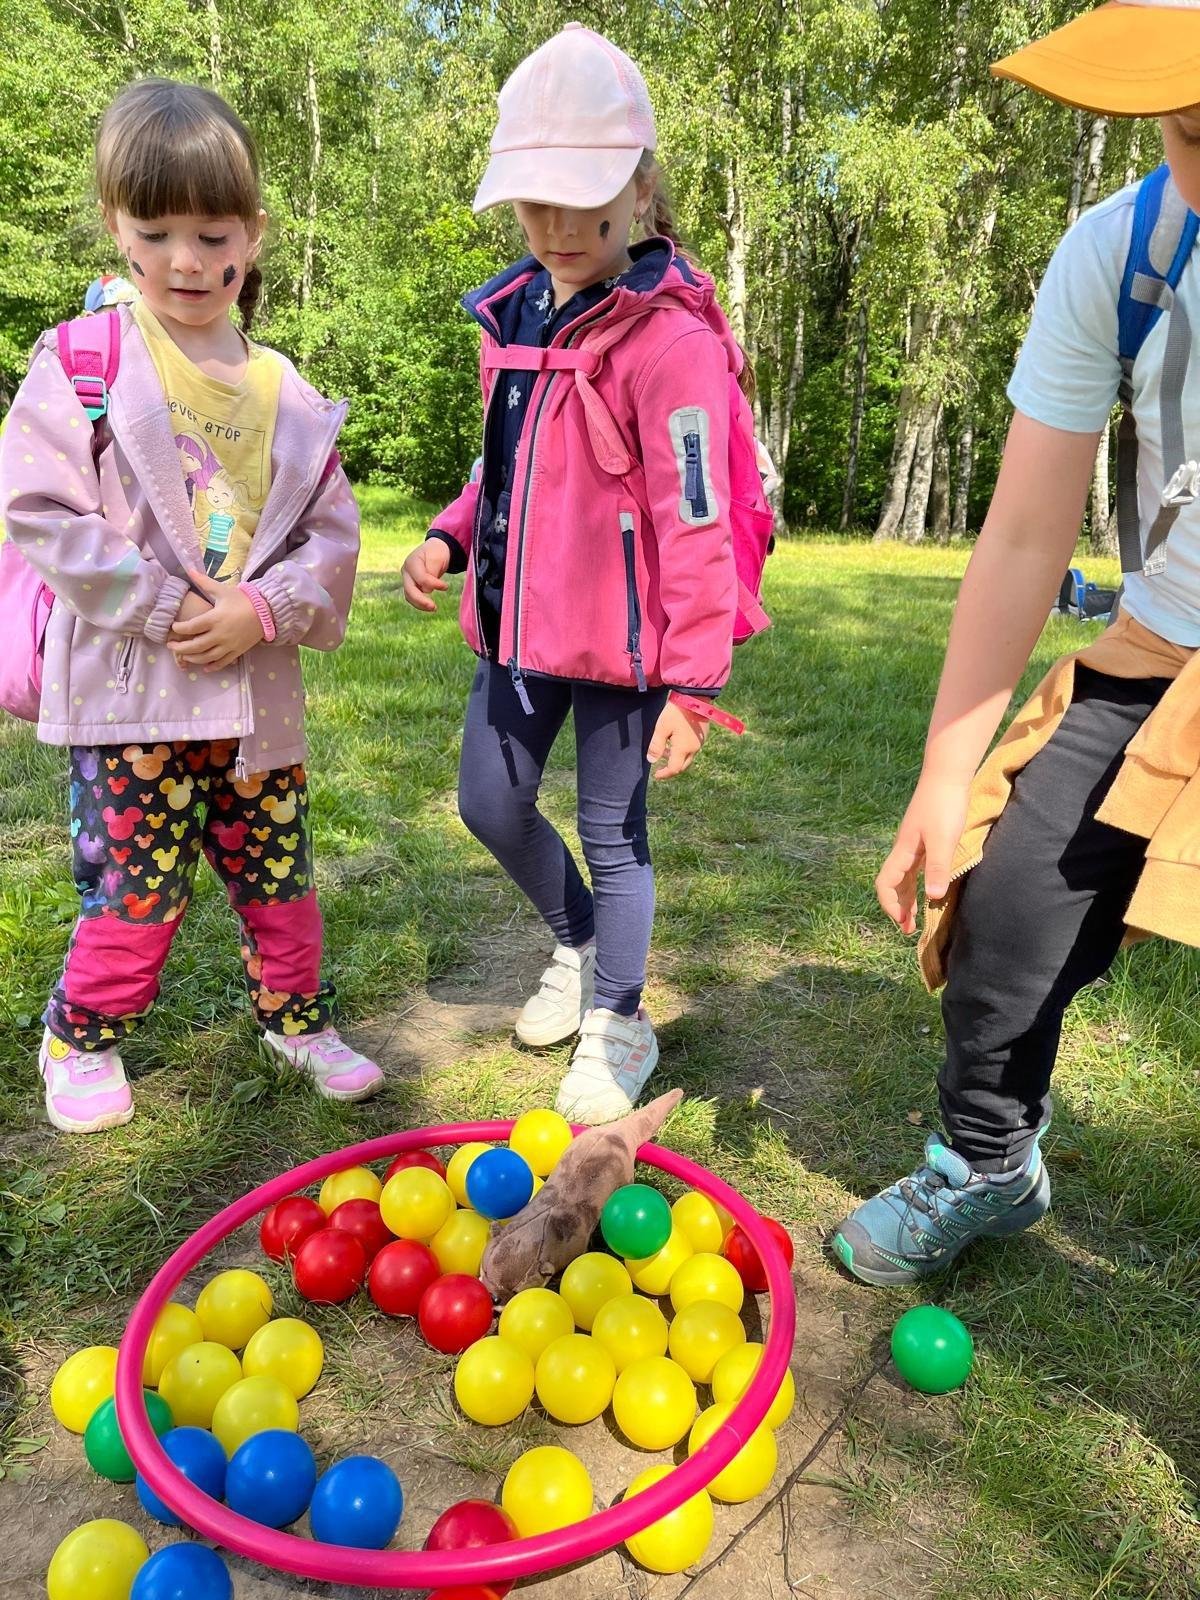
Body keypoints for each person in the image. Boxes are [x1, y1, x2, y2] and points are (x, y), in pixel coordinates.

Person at [832, 0, 1200, 1283]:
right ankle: (988, 1160)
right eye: (1197, 135)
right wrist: (946, 775)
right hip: (1164, 647)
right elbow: (1027, 534)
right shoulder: (1123, 254)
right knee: (1004, 899)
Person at [0, 78, 382, 1132]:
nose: (185, 260)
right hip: (132, 700)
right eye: (155, 232)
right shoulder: (85, 363)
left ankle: (296, 1021)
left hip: (255, 704)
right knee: (134, 888)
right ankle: (80, 1038)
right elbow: (36, 506)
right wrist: (157, 603)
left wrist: (268, 609)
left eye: (212, 235)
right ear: (115, 226)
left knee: (280, 877)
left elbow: (333, 537)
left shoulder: (285, 391)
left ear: (252, 235)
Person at [402, 24, 746, 1123]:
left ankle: (621, 1018)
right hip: (517, 626)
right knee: (489, 802)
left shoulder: (672, 342)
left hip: (627, 646)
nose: (555, 230)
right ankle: (580, 941)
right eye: (535, 204)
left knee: (613, 833)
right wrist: (452, 535)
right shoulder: (513, 319)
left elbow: (696, 518)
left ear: (639, 190)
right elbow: (503, 464)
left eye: (583, 205)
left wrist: (694, 682)